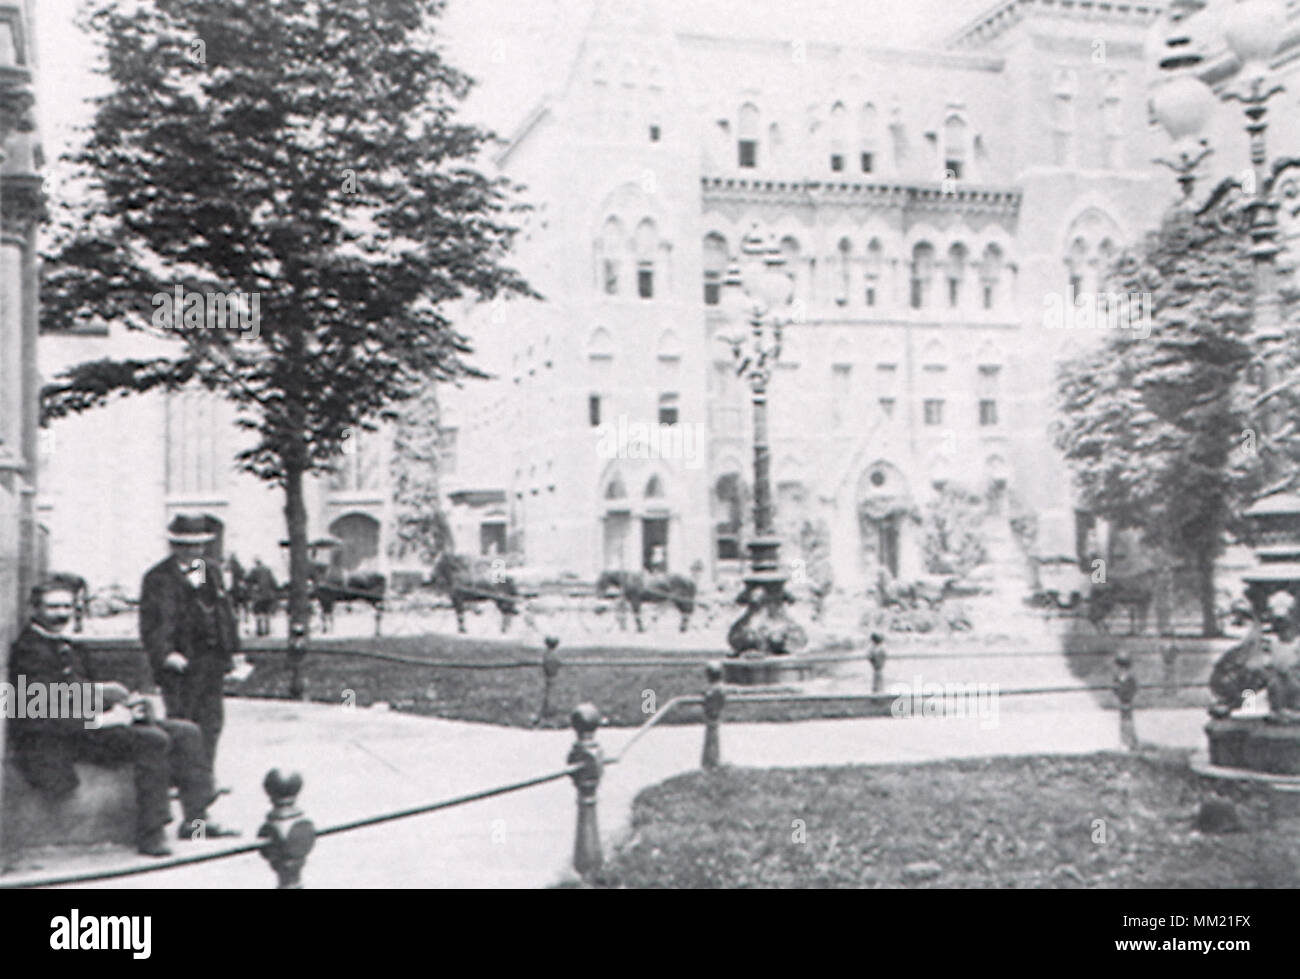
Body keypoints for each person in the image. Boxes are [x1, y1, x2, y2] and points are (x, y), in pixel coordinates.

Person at [9, 582, 238, 856]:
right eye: (53, 607)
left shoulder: (68, 645)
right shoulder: (27, 651)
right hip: (59, 738)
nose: (61, 614)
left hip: (90, 727)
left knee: (186, 732)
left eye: (67, 606)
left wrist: (127, 705)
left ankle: (197, 822)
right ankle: (151, 832)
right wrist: (105, 718)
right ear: (35, 609)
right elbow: (40, 709)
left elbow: (89, 692)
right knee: (151, 740)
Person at [139, 514, 239, 769]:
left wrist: (233, 650)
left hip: (210, 658)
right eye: (185, 546)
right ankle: (182, 774)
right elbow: (150, 623)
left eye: (198, 545)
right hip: (179, 661)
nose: (193, 551)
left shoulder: (210, 571)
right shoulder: (157, 577)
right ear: (174, 546)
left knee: (212, 719)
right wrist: (165, 653)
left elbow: (223, 611)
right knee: (183, 718)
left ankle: (205, 774)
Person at [248, 557, 278, 637]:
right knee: (267, 613)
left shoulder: (254, 571)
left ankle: (260, 631)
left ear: (255, 563)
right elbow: (274, 582)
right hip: (268, 595)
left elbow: (248, 580)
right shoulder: (268, 570)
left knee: (258, 613)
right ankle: (267, 630)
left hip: (258, 596)